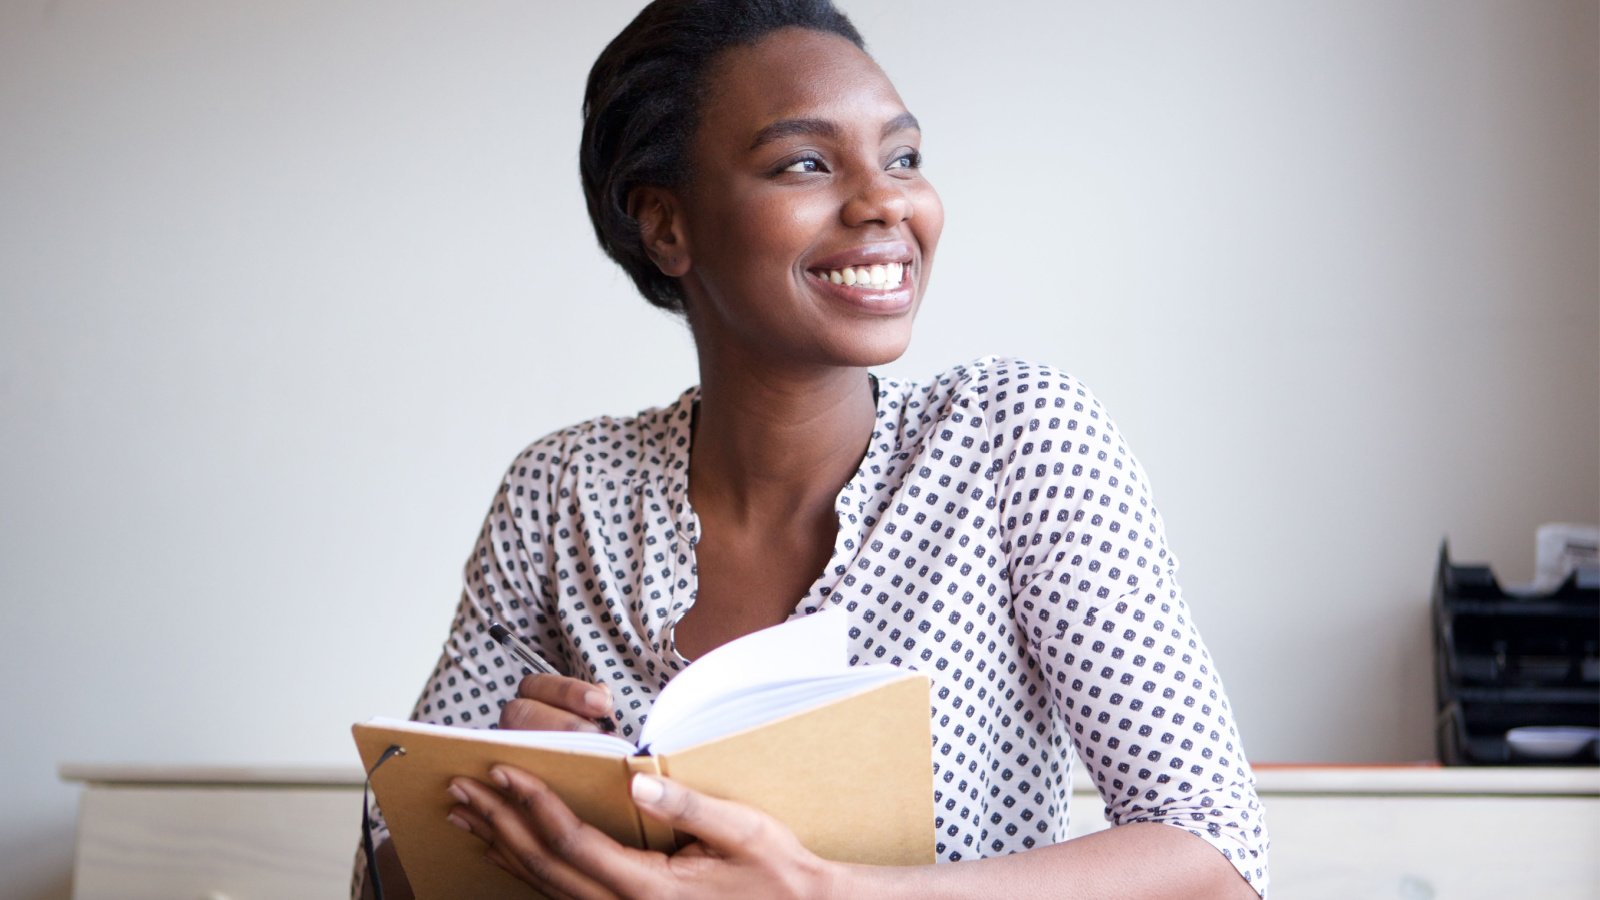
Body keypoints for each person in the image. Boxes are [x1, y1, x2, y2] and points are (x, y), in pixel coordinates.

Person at [360, 1, 1270, 897]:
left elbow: (1214, 856)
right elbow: (385, 870)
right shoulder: (560, 496)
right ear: (666, 226)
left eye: (904, 157)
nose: (886, 201)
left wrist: (824, 893)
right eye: (806, 163)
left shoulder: (1013, 441)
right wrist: (504, 813)